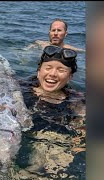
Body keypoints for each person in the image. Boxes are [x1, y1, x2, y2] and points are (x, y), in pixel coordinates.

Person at [12, 45, 85, 179]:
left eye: (61, 70)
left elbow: (84, 132)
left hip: (52, 138)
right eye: (48, 67)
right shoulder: (17, 88)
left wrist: (76, 145)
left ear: (70, 77)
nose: (52, 74)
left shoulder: (76, 101)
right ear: (39, 71)